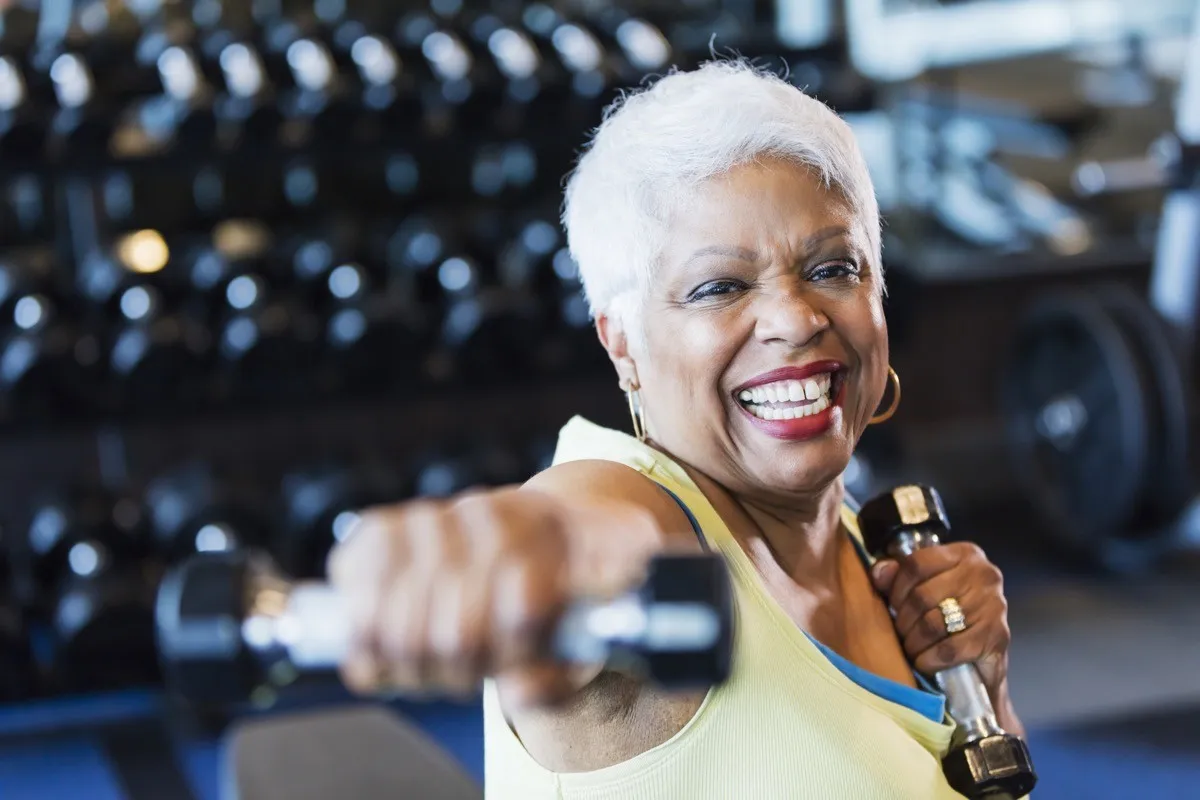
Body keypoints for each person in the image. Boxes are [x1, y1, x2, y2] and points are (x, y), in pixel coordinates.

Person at [328, 58, 1022, 799]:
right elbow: (577, 541)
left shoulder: (865, 543)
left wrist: (989, 700)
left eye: (833, 269)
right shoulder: (636, 520)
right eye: (719, 286)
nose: (794, 320)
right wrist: (490, 558)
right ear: (621, 342)